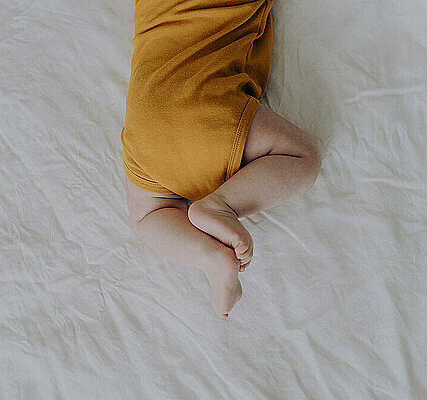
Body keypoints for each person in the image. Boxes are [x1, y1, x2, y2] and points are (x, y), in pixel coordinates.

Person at [121, 0, 321, 319]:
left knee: (148, 216)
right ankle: (221, 204)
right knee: (302, 157)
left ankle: (209, 257)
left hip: (148, 118)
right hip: (210, 109)